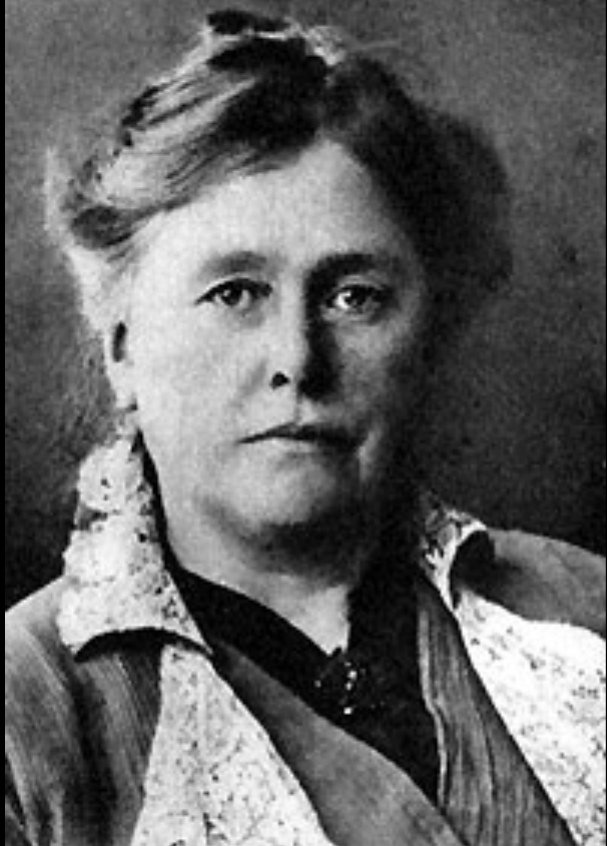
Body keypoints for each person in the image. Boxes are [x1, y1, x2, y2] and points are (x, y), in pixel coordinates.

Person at [5, 10, 605, 846]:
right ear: (123, 350)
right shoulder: (25, 714)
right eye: (234, 293)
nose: (297, 358)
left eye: (354, 296)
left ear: (428, 334)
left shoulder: (580, 613)